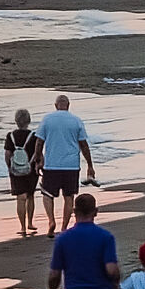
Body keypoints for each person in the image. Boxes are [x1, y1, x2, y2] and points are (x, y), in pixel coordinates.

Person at [37, 95, 98, 237]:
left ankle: (51, 221)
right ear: (68, 105)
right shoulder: (76, 120)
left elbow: (39, 142)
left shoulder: (47, 119)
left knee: (47, 194)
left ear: (55, 105)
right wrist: (90, 165)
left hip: (52, 164)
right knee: (69, 196)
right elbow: (84, 144)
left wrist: (39, 159)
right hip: (71, 165)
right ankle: (64, 227)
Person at [2, 107, 43, 239]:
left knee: (21, 198)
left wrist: (9, 167)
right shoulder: (34, 136)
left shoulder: (10, 136)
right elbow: (38, 152)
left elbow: (7, 154)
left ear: (16, 121)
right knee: (30, 196)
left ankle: (23, 226)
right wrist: (39, 164)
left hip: (16, 170)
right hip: (30, 169)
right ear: (28, 121)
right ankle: (31, 222)